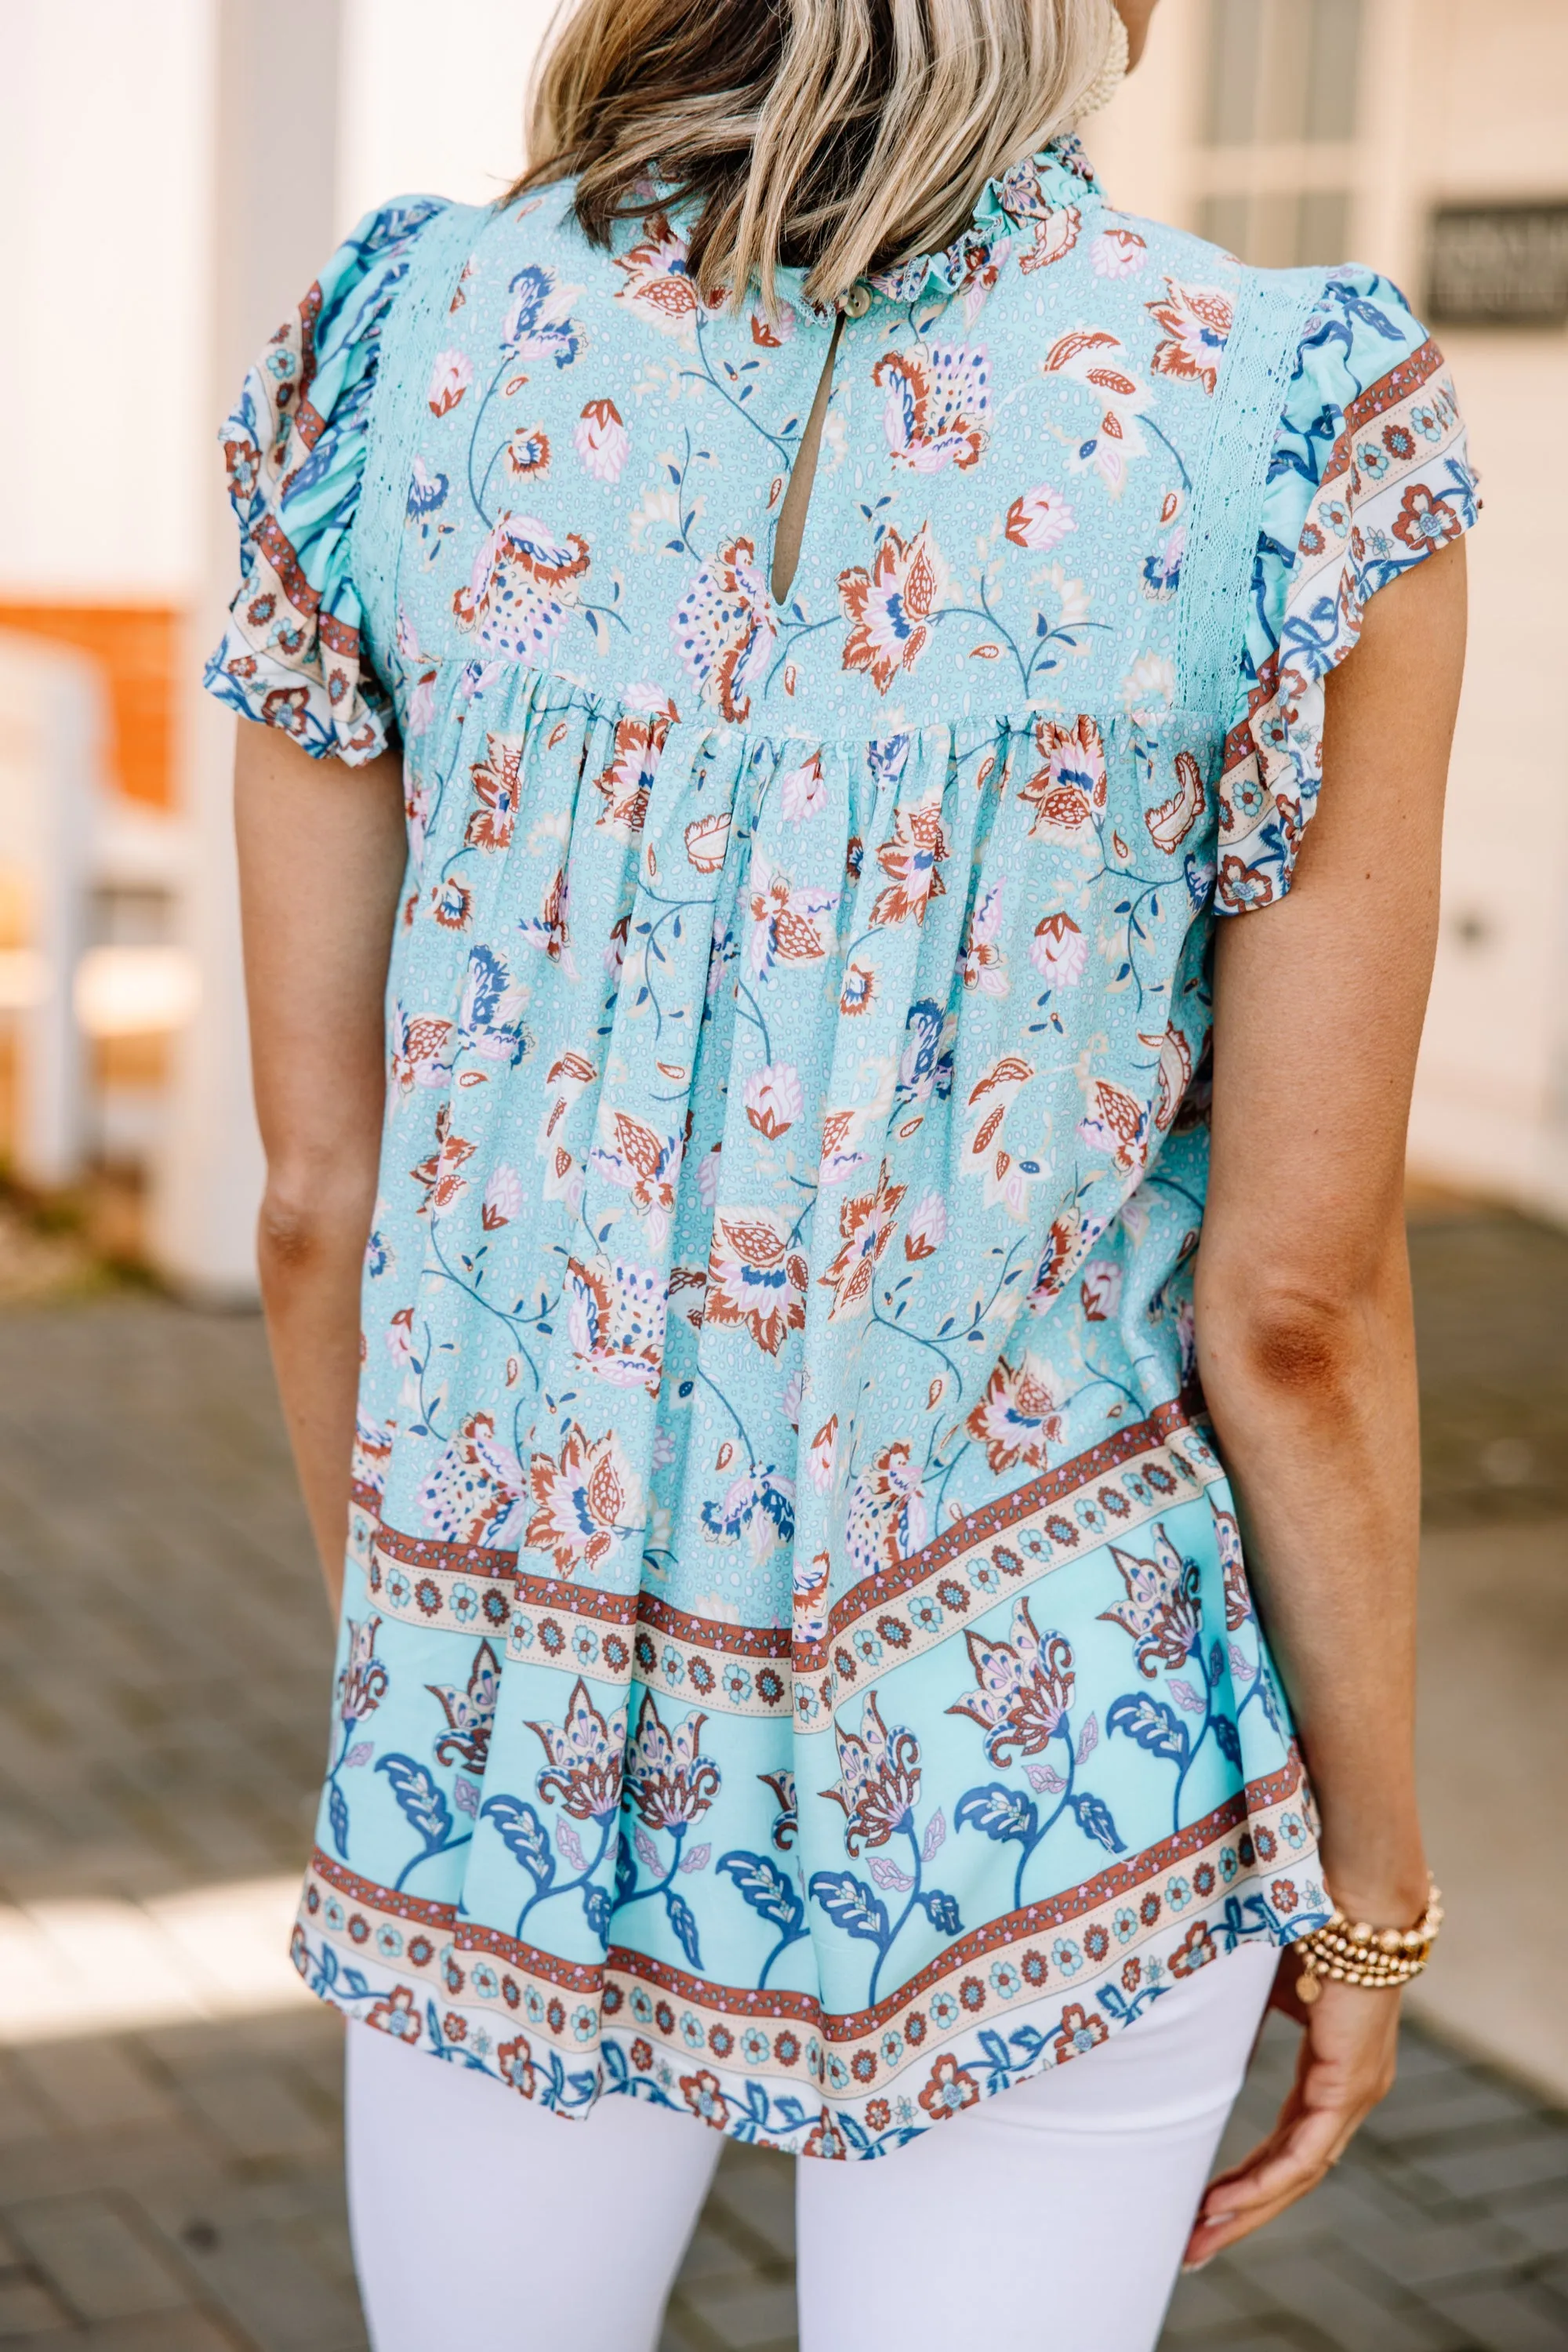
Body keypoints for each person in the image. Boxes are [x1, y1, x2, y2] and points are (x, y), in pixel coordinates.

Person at [209, 0, 1473, 2340]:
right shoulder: (1296, 419)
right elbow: (1296, 1311)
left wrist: (443, 1675)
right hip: (1048, 1734)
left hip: (509, 1712)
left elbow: (319, 1197)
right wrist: (1368, 1897)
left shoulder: (388, 351)